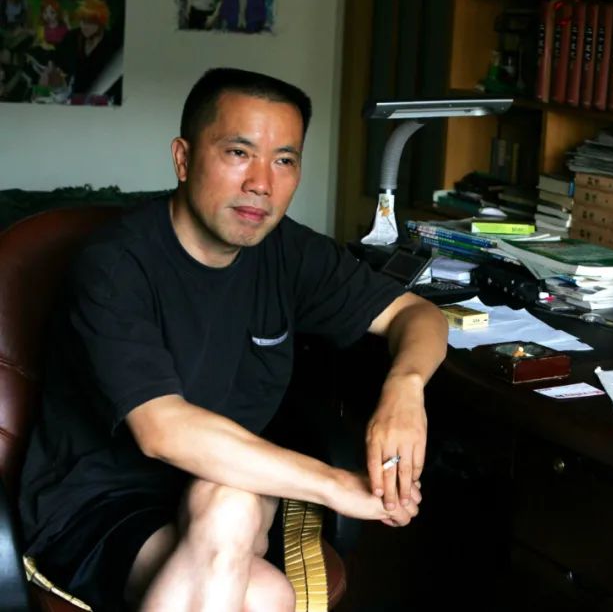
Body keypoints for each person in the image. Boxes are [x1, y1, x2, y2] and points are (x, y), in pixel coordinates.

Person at [18, 67, 449, 610]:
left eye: (284, 160)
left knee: (231, 505)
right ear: (183, 159)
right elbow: (163, 430)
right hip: (97, 505)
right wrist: (336, 484)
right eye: (239, 153)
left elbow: (418, 315)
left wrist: (405, 389)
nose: (261, 183)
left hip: (228, 485)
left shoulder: (289, 253)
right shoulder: (115, 266)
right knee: (266, 592)